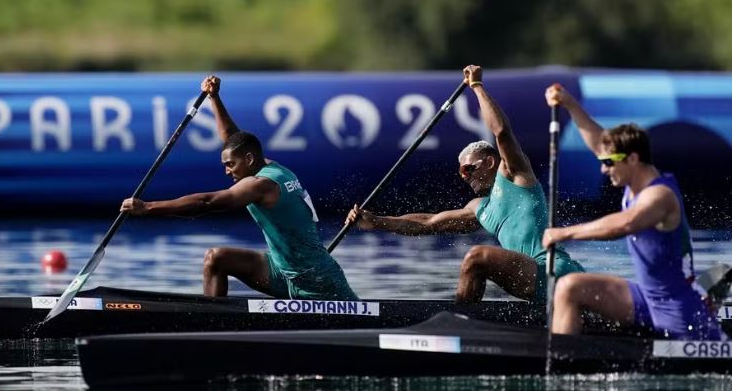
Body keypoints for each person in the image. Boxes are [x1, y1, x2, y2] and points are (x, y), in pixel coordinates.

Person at [346, 65, 583, 304]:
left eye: (468, 169)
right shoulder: (479, 208)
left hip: (554, 271)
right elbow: (428, 223)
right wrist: (376, 221)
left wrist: (477, 87)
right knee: (476, 261)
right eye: (460, 172)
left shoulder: (514, 173)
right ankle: (470, 319)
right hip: (533, 279)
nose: (464, 176)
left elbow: (501, 131)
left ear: (489, 162)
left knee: (476, 257)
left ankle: (459, 320)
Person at [121, 75, 358, 301]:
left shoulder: (262, 185)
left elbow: (207, 202)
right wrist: (214, 97)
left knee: (217, 253)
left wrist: (149, 207)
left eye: (230, 165)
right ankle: (210, 325)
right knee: (216, 259)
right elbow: (234, 139)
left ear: (249, 160)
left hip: (317, 282)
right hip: (281, 272)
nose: (227, 171)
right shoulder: (266, 164)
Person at [542, 85, 723, 340]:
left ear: (633, 159)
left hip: (679, 310)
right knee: (569, 287)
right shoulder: (629, 176)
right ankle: (564, 358)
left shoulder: (660, 196)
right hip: (646, 300)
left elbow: (625, 224)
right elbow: (598, 142)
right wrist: (569, 102)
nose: (604, 170)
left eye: (608, 163)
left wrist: (563, 233)